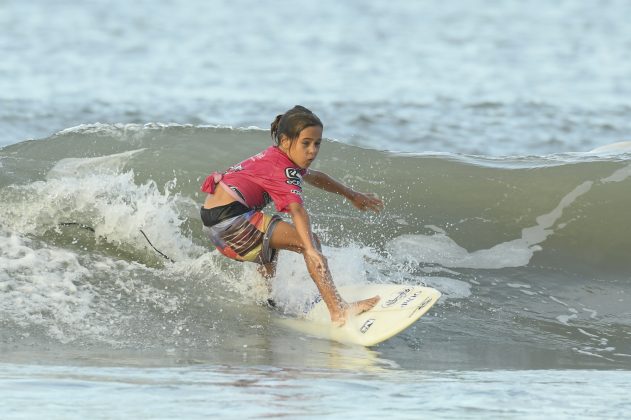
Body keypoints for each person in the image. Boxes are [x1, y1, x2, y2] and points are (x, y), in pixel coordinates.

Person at [200, 105, 383, 325]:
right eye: (306, 143)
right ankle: (338, 310)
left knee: (272, 238)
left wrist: (352, 195)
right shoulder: (283, 169)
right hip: (231, 224)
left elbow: (315, 177)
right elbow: (297, 209)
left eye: (317, 144)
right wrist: (310, 249)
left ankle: (264, 298)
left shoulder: (277, 157)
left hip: (219, 223)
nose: (312, 151)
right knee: (309, 241)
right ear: (286, 141)